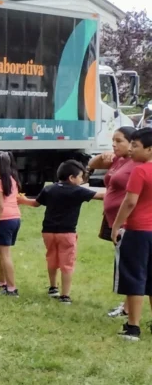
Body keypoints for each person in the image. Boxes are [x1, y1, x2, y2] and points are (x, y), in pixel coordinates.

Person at [18, 160, 104, 304]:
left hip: (48, 232)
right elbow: (101, 196)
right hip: (67, 233)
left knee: (52, 258)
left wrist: (22, 200)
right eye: (81, 177)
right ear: (71, 178)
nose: (82, 180)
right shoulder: (78, 191)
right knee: (67, 263)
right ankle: (65, 295)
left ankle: (53, 287)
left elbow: (35, 203)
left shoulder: (49, 189)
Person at [88, 126, 140, 318]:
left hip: (128, 222)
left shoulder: (137, 164)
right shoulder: (118, 160)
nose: (114, 144)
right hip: (113, 220)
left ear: (132, 144)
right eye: (113, 140)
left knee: (131, 265)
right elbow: (92, 164)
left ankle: (129, 309)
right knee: (124, 262)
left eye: (119, 141)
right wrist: (103, 157)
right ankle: (128, 306)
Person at [110, 128, 152, 341]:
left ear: (149, 149)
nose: (132, 150)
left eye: (136, 146)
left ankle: (133, 327)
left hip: (138, 231)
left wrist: (116, 225)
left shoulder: (140, 170)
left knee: (135, 278)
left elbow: (130, 202)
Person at [0, 151, 22, 297]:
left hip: (4, 221)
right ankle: (2, 282)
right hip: (15, 219)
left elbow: (0, 206)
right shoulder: (12, 180)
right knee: (0, 252)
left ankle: (12, 288)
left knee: (5, 254)